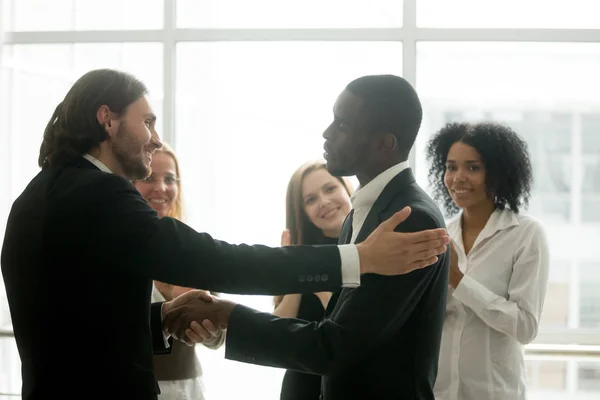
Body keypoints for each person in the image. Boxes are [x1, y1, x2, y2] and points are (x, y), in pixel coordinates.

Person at [0, 69, 449, 400]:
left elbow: (76, 320)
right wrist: (359, 259)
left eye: (342, 124)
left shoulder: (46, 191)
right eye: (148, 122)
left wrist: (165, 321)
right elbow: (210, 260)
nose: (156, 139)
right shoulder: (96, 193)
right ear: (107, 120)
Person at [166, 75, 451, 400]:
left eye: (342, 124)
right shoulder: (364, 209)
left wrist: (227, 315)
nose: (327, 134)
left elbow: (334, 346)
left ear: (384, 143)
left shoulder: (409, 219)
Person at [425, 122, 550, 400]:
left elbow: (525, 327)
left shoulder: (526, 235)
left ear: (498, 173)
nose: (458, 177)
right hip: (439, 391)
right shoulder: (441, 234)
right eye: (450, 166)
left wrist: (457, 279)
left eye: (473, 167)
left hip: (494, 392)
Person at [133, 142, 225, 400]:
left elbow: (218, 338)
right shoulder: (117, 248)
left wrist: (206, 323)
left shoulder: (191, 248)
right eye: (149, 177)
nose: (161, 188)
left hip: (187, 390)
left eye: (170, 179)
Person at [273, 159, 353, 400]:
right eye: (311, 200)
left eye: (330, 189)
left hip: (352, 384)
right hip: (301, 386)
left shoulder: (372, 251)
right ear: (303, 212)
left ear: (346, 188)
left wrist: (316, 285)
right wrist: (296, 266)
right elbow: (277, 334)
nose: (324, 202)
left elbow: (353, 330)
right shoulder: (300, 253)